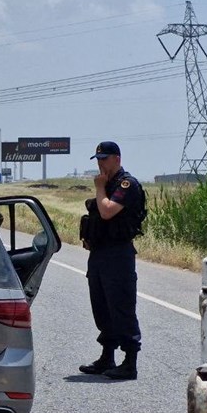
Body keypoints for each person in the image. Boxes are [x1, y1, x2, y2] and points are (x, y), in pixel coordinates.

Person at [78, 141, 144, 380]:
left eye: (105, 159)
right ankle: (107, 356)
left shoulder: (127, 184)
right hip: (99, 254)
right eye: (98, 159)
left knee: (121, 306)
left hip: (118, 254)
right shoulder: (108, 185)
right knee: (101, 306)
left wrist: (99, 187)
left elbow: (107, 211)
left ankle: (130, 362)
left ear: (117, 158)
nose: (100, 163)